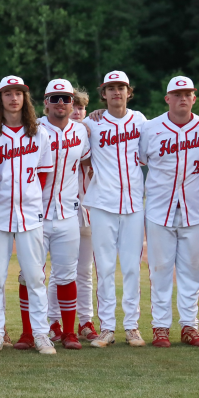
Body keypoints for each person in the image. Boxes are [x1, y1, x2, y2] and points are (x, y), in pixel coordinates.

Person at [139, 76, 199, 349]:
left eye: (188, 93)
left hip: (195, 209)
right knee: (160, 269)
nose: (183, 98)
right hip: (160, 208)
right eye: (177, 93)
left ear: (194, 98)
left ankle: (189, 326)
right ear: (167, 99)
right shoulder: (150, 128)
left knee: (190, 270)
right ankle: (160, 327)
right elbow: (141, 160)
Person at [0, 76, 56, 354]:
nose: (14, 98)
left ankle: (40, 334)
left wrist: (29, 197)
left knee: (35, 277)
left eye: (18, 93)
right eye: (8, 93)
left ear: (25, 98)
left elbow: (43, 174)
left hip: (30, 213)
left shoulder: (39, 133)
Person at [82, 71, 147, 348]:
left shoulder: (141, 120)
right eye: (111, 88)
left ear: (129, 92)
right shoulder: (92, 123)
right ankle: (107, 327)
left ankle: (132, 327)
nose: (116, 92)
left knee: (132, 267)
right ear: (103, 93)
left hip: (133, 204)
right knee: (105, 268)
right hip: (102, 203)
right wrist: (88, 115)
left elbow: (147, 156)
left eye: (121, 87)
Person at [35, 79, 90, 350]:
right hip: (35, 213)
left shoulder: (81, 131)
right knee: (32, 275)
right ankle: (32, 332)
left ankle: (69, 332)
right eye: (55, 98)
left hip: (68, 212)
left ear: (72, 103)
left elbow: (87, 163)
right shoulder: (33, 128)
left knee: (67, 275)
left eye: (66, 98)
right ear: (46, 102)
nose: (60, 103)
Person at [70, 87, 99, 341]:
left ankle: (86, 321)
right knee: (62, 272)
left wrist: (99, 114)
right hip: (62, 210)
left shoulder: (92, 128)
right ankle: (54, 322)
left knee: (85, 271)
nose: (77, 111)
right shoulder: (51, 130)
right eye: (73, 107)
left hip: (88, 210)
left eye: (81, 108)